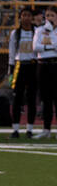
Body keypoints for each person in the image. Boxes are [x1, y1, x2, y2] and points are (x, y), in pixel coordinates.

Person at [8, 7, 38, 138]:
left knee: (31, 98)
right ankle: (15, 129)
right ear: (20, 17)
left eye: (28, 15)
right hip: (19, 66)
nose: (26, 18)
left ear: (32, 18)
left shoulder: (36, 31)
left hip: (33, 65)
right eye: (23, 15)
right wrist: (11, 69)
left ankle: (30, 129)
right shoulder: (15, 33)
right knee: (17, 98)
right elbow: (12, 52)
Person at [34, 7, 57, 139]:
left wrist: (51, 35)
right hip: (43, 66)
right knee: (46, 99)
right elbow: (35, 47)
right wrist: (50, 47)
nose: (49, 18)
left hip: (56, 66)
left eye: (52, 15)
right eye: (47, 15)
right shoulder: (39, 30)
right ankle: (46, 129)